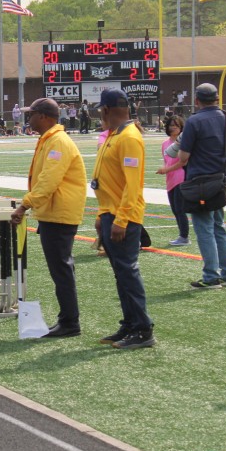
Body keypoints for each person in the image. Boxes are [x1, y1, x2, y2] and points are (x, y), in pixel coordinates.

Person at [10, 98, 87, 338]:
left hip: (59, 213)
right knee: (60, 269)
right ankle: (67, 319)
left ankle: (70, 322)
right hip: (54, 212)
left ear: (43, 116)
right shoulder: (50, 139)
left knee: (61, 269)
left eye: (31, 114)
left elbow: (48, 180)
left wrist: (25, 205)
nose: (28, 118)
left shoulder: (57, 142)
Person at [91, 90, 155, 349]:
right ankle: (130, 323)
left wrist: (122, 219)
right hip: (111, 212)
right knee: (121, 273)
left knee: (127, 271)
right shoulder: (115, 135)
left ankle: (143, 328)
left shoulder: (128, 137)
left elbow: (133, 185)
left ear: (106, 109)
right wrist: (102, 214)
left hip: (122, 215)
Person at [176, 83, 226, 288]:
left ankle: (211, 276)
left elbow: (183, 157)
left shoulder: (194, 121)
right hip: (221, 180)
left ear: (197, 100)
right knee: (219, 227)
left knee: (204, 229)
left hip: (200, 182)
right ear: (217, 98)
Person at [154, 115, 190, 246]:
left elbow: (183, 162)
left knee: (180, 209)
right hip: (170, 179)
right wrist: (165, 170)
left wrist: (166, 170)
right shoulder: (165, 144)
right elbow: (167, 161)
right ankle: (182, 235)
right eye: (171, 125)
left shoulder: (183, 143)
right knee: (175, 209)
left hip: (180, 178)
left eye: (176, 125)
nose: (173, 127)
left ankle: (184, 236)